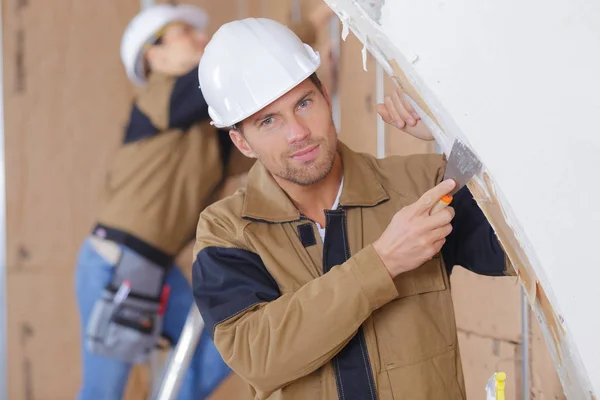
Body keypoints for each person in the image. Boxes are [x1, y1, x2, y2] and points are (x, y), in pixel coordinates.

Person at [191, 17, 514, 400]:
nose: (298, 132)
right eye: (269, 121)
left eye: (304, 103)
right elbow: (258, 357)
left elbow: (527, 245)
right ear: (243, 143)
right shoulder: (228, 231)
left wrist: (457, 132)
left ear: (326, 98)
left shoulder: (420, 187)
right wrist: (383, 262)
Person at [74, 5, 331, 399]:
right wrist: (314, 20)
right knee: (103, 392)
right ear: (154, 56)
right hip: (114, 264)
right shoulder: (160, 97)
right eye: (183, 33)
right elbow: (247, 59)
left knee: (223, 343)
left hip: (154, 267)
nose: (200, 37)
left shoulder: (203, 129)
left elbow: (262, 149)